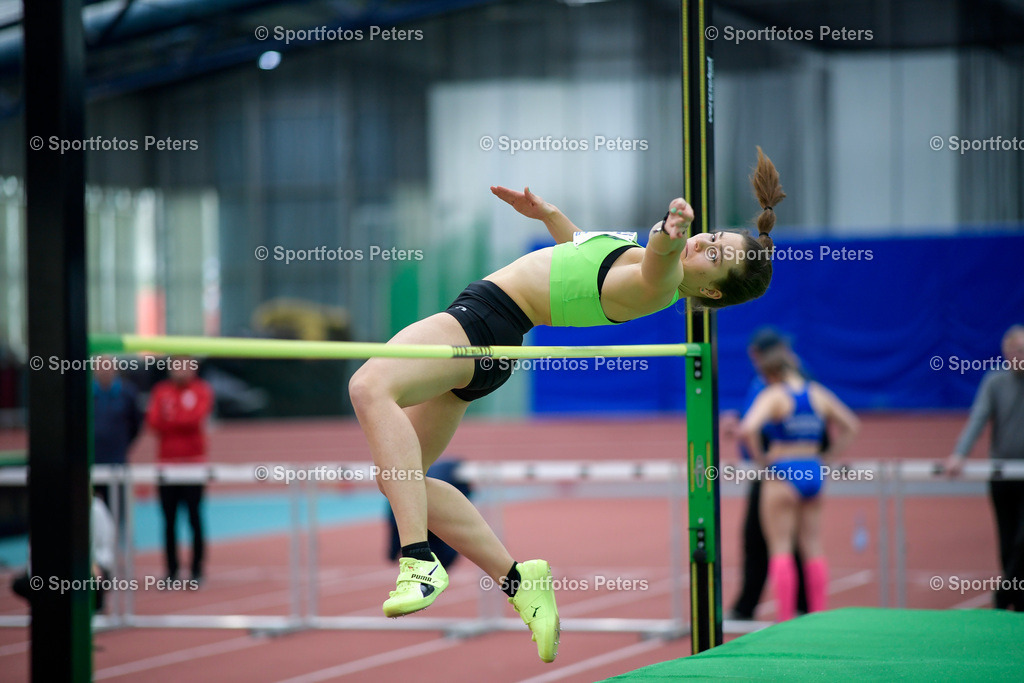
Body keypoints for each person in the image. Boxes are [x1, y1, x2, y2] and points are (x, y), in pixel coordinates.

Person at [348, 147, 785, 662]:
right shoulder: (638, 266)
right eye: (713, 238)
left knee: (369, 385)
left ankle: (418, 559)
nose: (705, 244)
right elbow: (582, 263)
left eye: (715, 256)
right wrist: (549, 216)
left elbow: (661, 257)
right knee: (401, 478)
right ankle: (519, 581)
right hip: (497, 337)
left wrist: (671, 231)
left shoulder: (662, 281)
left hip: (484, 322)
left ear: (710, 291)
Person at [740, 344, 859, 621]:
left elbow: (748, 428)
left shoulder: (774, 395)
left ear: (771, 374)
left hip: (782, 470)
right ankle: (818, 617)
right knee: (813, 547)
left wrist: (761, 459)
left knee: (780, 547)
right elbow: (852, 425)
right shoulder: (817, 393)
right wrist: (828, 456)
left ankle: (785, 619)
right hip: (812, 469)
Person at [724, 329, 810, 620]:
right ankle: (800, 606)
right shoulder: (790, 381)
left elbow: (756, 427)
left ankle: (774, 608)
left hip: (776, 472)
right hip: (789, 470)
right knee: (788, 540)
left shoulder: (776, 384)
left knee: (773, 540)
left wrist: (761, 456)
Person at [945, 325, 1024, 611]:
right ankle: (1016, 597)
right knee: (1006, 540)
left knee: (1022, 541)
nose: (1018, 356)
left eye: (1023, 350)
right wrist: (959, 454)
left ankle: (1004, 595)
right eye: (1014, 350)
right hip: (1001, 473)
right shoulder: (995, 382)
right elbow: (978, 418)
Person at [146, 357, 214, 583]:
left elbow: (194, 419)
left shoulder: (201, 390)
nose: (181, 370)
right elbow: (153, 421)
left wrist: (172, 418)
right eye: (176, 366)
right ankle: (171, 570)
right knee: (168, 521)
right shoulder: (161, 390)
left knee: (195, 517)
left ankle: (197, 570)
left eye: (185, 365)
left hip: (194, 465)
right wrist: (176, 419)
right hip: (167, 465)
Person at [92, 355, 143, 530]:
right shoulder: (85, 393)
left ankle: (119, 542)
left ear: (115, 369)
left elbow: (136, 424)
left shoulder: (127, 393)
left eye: (108, 366)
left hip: (117, 460)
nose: (104, 371)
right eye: (100, 366)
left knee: (119, 511)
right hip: (90, 462)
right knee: (88, 511)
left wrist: (123, 445)